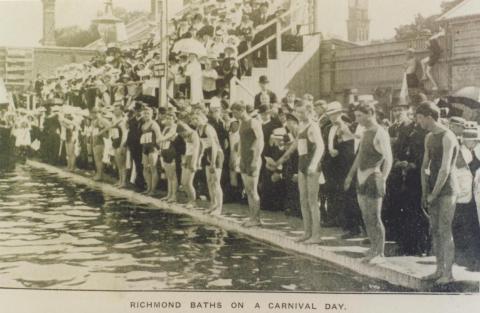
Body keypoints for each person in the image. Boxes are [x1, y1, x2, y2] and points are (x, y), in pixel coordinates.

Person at [344, 101, 393, 264]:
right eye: (356, 116)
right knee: (366, 216)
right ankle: (373, 247)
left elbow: (389, 159)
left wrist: (383, 179)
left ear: (370, 113)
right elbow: (359, 156)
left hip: (373, 177)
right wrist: (350, 175)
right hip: (360, 177)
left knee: (375, 217)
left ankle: (380, 252)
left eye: (359, 116)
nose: (357, 119)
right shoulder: (365, 132)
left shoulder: (381, 132)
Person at [416, 101, 458, 284]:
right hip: (433, 189)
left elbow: (445, 169)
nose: (418, 122)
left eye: (419, 118)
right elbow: (425, 166)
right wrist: (424, 191)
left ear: (429, 117)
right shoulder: (429, 137)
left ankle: (448, 274)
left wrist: (434, 193)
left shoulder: (448, 137)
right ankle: (438, 269)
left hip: (447, 189)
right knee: (435, 231)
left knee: (445, 230)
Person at [276, 101, 325, 243]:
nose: (299, 115)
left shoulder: (313, 126)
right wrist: (279, 161)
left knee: (313, 201)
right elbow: (294, 146)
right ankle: (307, 232)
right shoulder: (302, 126)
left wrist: (313, 165)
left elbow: (321, 147)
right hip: (302, 165)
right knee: (303, 200)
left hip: (312, 167)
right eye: (298, 112)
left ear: (309, 112)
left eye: (302, 112)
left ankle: (316, 235)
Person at [231, 102, 264, 227]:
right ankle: (253, 217)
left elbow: (260, 141)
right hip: (244, 159)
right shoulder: (241, 123)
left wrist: (256, 160)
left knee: (253, 190)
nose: (233, 115)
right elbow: (241, 142)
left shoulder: (253, 122)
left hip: (252, 159)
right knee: (248, 190)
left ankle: (257, 219)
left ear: (241, 110)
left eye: (235, 112)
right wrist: (237, 157)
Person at [192, 111, 224, 215]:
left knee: (216, 182)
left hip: (216, 154)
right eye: (193, 119)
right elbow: (202, 146)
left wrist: (213, 163)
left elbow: (214, 145)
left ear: (203, 118)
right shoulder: (198, 129)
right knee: (209, 182)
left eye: (197, 119)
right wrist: (199, 159)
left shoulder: (208, 128)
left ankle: (219, 208)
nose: (195, 121)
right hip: (207, 154)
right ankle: (212, 205)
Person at [178, 121, 200, 209]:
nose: (182, 135)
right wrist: (184, 160)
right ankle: (189, 200)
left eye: (182, 133)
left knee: (188, 182)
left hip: (193, 158)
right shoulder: (186, 135)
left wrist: (194, 163)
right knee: (183, 182)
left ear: (186, 130)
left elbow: (196, 149)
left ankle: (193, 201)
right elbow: (188, 148)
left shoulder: (194, 134)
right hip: (187, 157)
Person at [140, 107, 162, 196]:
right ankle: (148, 187)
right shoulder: (143, 125)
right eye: (144, 113)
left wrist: (159, 149)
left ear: (152, 114)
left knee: (153, 168)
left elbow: (159, 137)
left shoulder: (154, 124)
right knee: (145, 168)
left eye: (148, 113)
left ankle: (153, 189)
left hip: (153, 148)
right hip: (145, 147)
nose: (146, 115)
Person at [159, 111, 179, 202]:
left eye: (170, 118)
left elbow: (166, 137)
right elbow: (162, 139)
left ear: (174, 119)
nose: (168, 120)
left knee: (173, 175)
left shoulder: (175, 127)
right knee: (168, 174)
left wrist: (161, 139)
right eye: (167, 118)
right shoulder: (166, 127)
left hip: (172, 151)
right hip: (165, 150)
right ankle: (169, 194)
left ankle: (174, 196)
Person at [108, 104, 128, 187]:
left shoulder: (123, 121)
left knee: (122, 164)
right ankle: (120, 180)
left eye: (116, 109)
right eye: (114, 109)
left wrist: (122, 145)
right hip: (116, 141)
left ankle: (123, 182)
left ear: (121, 111)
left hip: (120, 142)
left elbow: (124, 134)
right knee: (118, 164)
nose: (114, 111)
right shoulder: (114, 119)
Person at [90, 109, 111, 181]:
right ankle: (99, 174)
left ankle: (100, 175)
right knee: (96, 159)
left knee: (98, 159)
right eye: (92, 113)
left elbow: (109, 126)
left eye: (94, 113)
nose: (92, 115)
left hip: (99, 141)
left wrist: (100, 133)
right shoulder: (93, 121)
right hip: (94, 140)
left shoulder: (100, 120)